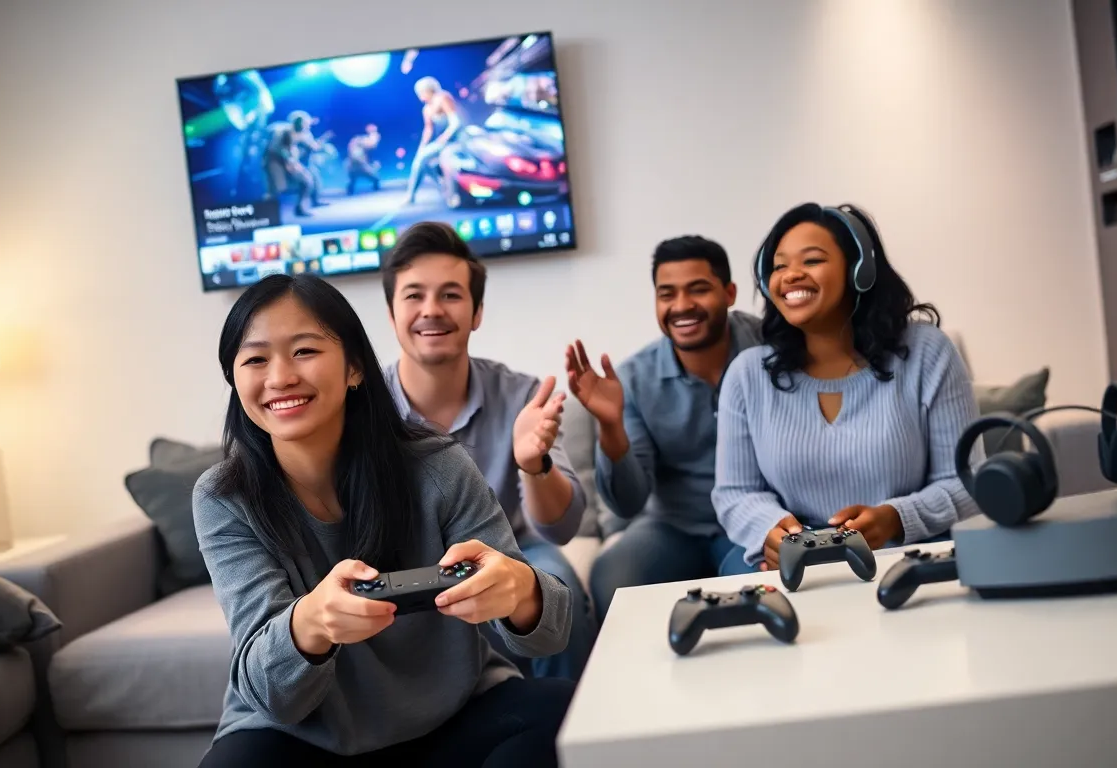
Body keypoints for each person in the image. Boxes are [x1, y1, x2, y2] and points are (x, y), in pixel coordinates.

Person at [193, 273, 573, 767]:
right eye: (255, 359)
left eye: (304, 351)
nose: (280, 377)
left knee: (562, 713)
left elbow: (551, 634)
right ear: (234, 378)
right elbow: (273, 697)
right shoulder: (224, 497)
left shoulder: (437, 465)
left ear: (354, 367)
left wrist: (520, 590)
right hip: (300, 737)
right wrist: (311, 623)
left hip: (452, 717)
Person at [712, 202, 982, 571]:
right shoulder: (747, 374)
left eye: (812, 260)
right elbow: (735, 494)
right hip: (795, 559)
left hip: (907, 551)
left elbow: (965, 481)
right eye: (779, 266)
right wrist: (769, 530)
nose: (791, 276)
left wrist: (896, 518)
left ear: (860, 270)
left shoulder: (928, 353)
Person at [381, 221, 596, 681]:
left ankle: (568, 722)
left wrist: (532, 465)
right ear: (391, 312)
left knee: (558, 591)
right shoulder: (360, 408)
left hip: (513, 550)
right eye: (414, 295)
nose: (432, 310)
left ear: (477, 312)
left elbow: (560, 528)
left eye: (451, 295)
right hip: (404, 564)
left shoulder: (521, 396)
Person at [566, 235, 764, 623]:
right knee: (614, 577)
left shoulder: (770, 350)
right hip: (674, 527)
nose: (682, 305)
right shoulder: (635, 379)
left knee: (760, 582)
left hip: (755, 521)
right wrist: (610, 426)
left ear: (729, 293)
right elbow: (627, 503)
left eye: (698, 289)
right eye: (667, 294)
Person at [405, 76, 463, 205]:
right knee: (421, 161)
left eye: (421, 93)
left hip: (455, 140)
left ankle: (452, 195)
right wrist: (421, 148)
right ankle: (436, 189)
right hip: (442, 142)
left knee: (447, 162)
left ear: (428, 90)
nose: (420, 97)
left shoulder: (442, 97)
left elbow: (455, 122)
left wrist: (445, 137)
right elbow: (428, 130)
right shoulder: (426, 109)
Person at [345, 123, 382, 194]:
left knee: (375, 178)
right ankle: (350, 190)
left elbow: (371, 145)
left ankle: (350, 189)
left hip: (357, 164)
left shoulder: (360, 140)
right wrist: (374, 135)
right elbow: (371, 144)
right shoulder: (358, 139)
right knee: (352, 180)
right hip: (355, 164)